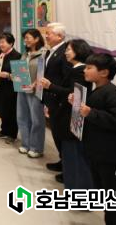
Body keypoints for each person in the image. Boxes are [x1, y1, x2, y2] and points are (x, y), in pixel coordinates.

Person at [74, 53, 116, 225]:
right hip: (102, 155)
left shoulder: (112, 93)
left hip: (114, 158)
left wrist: (91, 113)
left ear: (104, 72)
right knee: (108, 199)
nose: (85, 70)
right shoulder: (98, 90)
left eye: (89, 67)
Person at [42, 38, 94, 189]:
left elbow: (73, 94)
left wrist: (50, 86)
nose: (65, 52)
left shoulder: (80, 71)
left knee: (74, 154)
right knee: (69, 153)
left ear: (79, 51)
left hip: (72, 117)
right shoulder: (75, 69)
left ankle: (76, 188)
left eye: (69, 50)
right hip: (66, 114)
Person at [42, 22, 72, 178]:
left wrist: (53, 89)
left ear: (60, 36)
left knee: (61, 133)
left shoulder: (65, 53)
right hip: (51, 97)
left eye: (49, 33)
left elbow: (66, 78)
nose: (46, 36)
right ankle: (62, 161)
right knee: (56, 133)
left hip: (60, 99)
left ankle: (68, 169)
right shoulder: (50, 51)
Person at [16, 29, 46, 158]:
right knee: (22, 117)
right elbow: (20, 70)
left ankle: (36, 148)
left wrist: (34, 83)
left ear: (37, 38)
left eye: (28, 37)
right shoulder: (25, 54)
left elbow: (43, 72)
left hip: (36, 91)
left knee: (36, 120)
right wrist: (15, 76)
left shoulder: (43, 53)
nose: (26, 40)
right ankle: (25, 144)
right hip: (22, 89)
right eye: (25, 38)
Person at [0, 32, 22, 143]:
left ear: (11, 43)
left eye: (3, 42)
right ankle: (4, 130)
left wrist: (8, 75)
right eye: (0, 42)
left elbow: (19, 77)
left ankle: (12, 134)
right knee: (2, 109)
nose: (1, 44)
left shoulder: (17, 56)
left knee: (11, 110)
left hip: (10, 88)